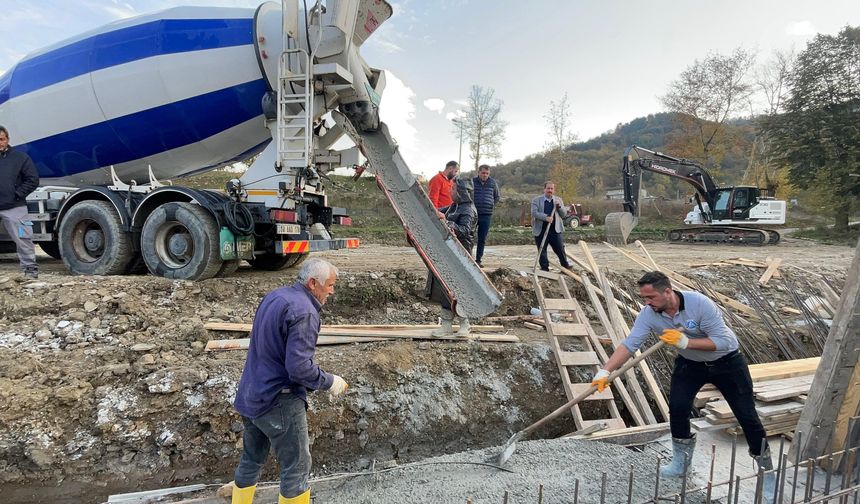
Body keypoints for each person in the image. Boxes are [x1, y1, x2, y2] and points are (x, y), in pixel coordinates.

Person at [590, 271, 776, 501]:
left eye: (650, 297)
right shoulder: (649, 314)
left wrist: (686, 341)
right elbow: (630, 344)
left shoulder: (699, 304)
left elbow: (724, 341)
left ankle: (767, 472)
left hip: (727, 362)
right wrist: (605, 370)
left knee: (746, 416)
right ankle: (680, 462)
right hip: (691, 364)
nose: (646, 303)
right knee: (677, 408)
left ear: (667, 292)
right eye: (643, 298)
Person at [230, 258, 348, 504]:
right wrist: (330, 381)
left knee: (251, 458)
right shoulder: (304, 312)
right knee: (297, 466)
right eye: (330, 285)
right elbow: (299, 369)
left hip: (251, 393)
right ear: (313, 283)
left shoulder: (276, 296)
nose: (332, 291)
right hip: (279, 401)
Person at [427, 177, 476, 337]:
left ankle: (464, 324)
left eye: (453, 189)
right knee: (444, 289)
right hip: (448, 253)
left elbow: (464, 230)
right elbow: (440, 211)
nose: (451, 191)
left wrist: (446, 221)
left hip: (461, 254)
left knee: (460, 289)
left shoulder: (468, 209)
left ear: (461, 192)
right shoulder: (454, 206)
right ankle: (446, 324)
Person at [0, 126, 39, 279]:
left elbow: (32, 179)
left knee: (24, 237)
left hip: (15, 207)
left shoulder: (20, 158)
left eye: (1, 139)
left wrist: (17, 194)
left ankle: (30, 269)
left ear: (7, 140)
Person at [531, 181, 572, 271]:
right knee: (542, 250)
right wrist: (546, 218)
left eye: (551, 189)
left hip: (555, 230)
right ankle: (544, 268)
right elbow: (534, 213)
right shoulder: (536, 200)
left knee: (560, 249)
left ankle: (565, 267)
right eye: (548, 188)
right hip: (541, 230)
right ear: (544, 189)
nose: (550, 190)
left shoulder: (558, 200)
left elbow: (564, 214)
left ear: (554, 190)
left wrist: (559, 207)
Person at [472, 164, 500, 267]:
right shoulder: (473, 182)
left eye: (487, 173)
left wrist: (490, 204)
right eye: (483, 173)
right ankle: (467, 257)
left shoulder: (493, 183)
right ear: (479, 172)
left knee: (482, 238)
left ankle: (478, 260)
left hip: (487, 215)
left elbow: (497, 197)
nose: (485, 175)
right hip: (473, 214)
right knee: (469, 236)